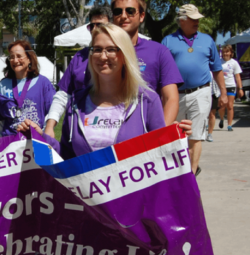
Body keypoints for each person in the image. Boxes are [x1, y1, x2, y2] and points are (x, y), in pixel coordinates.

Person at [18, 23, 191, 158]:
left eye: (111, 50)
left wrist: (173, 139)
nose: (102, 56)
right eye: (97, 49)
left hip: (133, 201)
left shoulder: (147, 101)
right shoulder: (76, 102)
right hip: (86, 201)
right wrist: (40, 138)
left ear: (124, 55)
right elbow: (66, 157)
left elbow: (159, 155)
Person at [161, 4, 226, 176]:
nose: (197, 22)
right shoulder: (168, 41)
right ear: (182, 21)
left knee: (196, 135)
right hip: (176, 95)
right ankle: (178, 171)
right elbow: (161, 70)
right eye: (193, 19)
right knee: (176, 135)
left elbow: (217, 68)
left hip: (201, 92)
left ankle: (191, 173)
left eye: (198, 19)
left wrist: (223, 93)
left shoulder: (207, 40)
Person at [109, 0, 183, 123]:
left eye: (130, 11)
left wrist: (160, 136)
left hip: (146, 130)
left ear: (142, 16)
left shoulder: (159, 52)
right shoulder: (100, 53)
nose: (123, 16)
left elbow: (170, 98)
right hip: (108, 126)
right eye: (118, 11)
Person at [44, 4, 111, 137]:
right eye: (92, 26)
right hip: (79, 132)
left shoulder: (122, 56)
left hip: (110, 129)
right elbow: (63, 95)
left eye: (101, 25)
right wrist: (50, 125)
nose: (96, 29)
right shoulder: (79, 57)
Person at [0, 40, 55, 137]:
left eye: (19, 56)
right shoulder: (3, 85)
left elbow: (51, 115)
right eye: (11, 57)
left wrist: (45, 137)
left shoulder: (44, 83)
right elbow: (0, 121)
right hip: (10, 144)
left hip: (35, 140)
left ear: (29, 58)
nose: (15, 60)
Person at [216, 45, 243, 131]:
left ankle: (229, 125)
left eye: (227, 52)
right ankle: (221, 119)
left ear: (231, 53)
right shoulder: (218, 62)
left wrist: (240, 88)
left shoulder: (234, 63)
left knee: (230, 106)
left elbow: (238, 77)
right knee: (222, 105)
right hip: (221, 86)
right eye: (224, 52)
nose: (225, 54)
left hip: (231, 85)